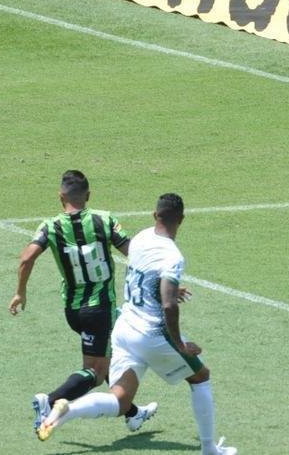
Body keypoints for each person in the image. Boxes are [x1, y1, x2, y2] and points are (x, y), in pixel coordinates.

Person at [37, 193, 237, 455]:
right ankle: (210, 449)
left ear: (155, 216)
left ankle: (66, 410)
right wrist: (181, 345)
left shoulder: (141, 237)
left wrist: (166, 289)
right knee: (201, 377)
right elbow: (168, 305)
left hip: (123, 328)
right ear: (182, 220)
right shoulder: (173, 256)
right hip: (151, 334)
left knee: (120, 400)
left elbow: (144, 275)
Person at [9, 170, 156, 436]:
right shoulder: (104, 219)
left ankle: (133, 413)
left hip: (73, 310)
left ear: (60, 196)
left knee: (109, 354)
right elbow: (133, 252)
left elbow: (26, 258)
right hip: (100, 308)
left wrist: (20, 292)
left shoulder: (49, 226)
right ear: (88, 195)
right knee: (95, 371)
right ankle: (50, 401)